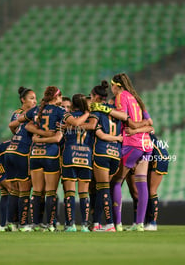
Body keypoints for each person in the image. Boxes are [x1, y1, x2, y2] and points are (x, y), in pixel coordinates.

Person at [34, 94, 92, 232]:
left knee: (69, 193)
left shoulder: (66, 118)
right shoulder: (90, 119)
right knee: (84, 193)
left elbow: (58, 134)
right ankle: (84, 225)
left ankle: (70, 224)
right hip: (85, 156)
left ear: (72, 105)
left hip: (69, 156)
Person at [110, 73, 153, 232]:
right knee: (141, 183)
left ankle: (118, 224)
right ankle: (140, 224)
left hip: (132, 144)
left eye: (112, 86)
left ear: (117, 85)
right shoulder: (137, 99)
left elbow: (124, 117)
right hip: (146, 144)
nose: (112, 90)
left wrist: (133, 128)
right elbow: (150, 124)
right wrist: (138, 128)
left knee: (116, 181)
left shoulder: (121, 96)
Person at [26, 86, 65, 232]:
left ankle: (35, 224)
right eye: (60, 97)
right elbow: (58, 137)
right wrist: (49, 135)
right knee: (50, 191)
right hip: (50, 154)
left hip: (35, 154)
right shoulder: (60, 111)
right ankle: (50, 224)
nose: (61, 100)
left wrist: (38, 135)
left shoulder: (36, 110)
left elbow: (25, 124)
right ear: (56, 97)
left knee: (36, 191)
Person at [89, 81, 123, 232]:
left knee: (103, 189)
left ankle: (109, 224)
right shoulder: (114, 110)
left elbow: (99, 134)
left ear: (95, 97)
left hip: (102, 152)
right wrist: (117, 139)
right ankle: (96, 223)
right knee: (101, 189)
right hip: (115, 154)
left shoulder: (96, 111)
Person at [3, 86, 38, 232]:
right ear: (23, 100)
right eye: (31, 98)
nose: (35, 101)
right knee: (24, 190)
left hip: (10, 151)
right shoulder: (33, 113)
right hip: (22, 152)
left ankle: (11, 223)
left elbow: (13, 128)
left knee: (14, 191)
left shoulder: (16, 113)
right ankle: (23, 225)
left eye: (35, 98)